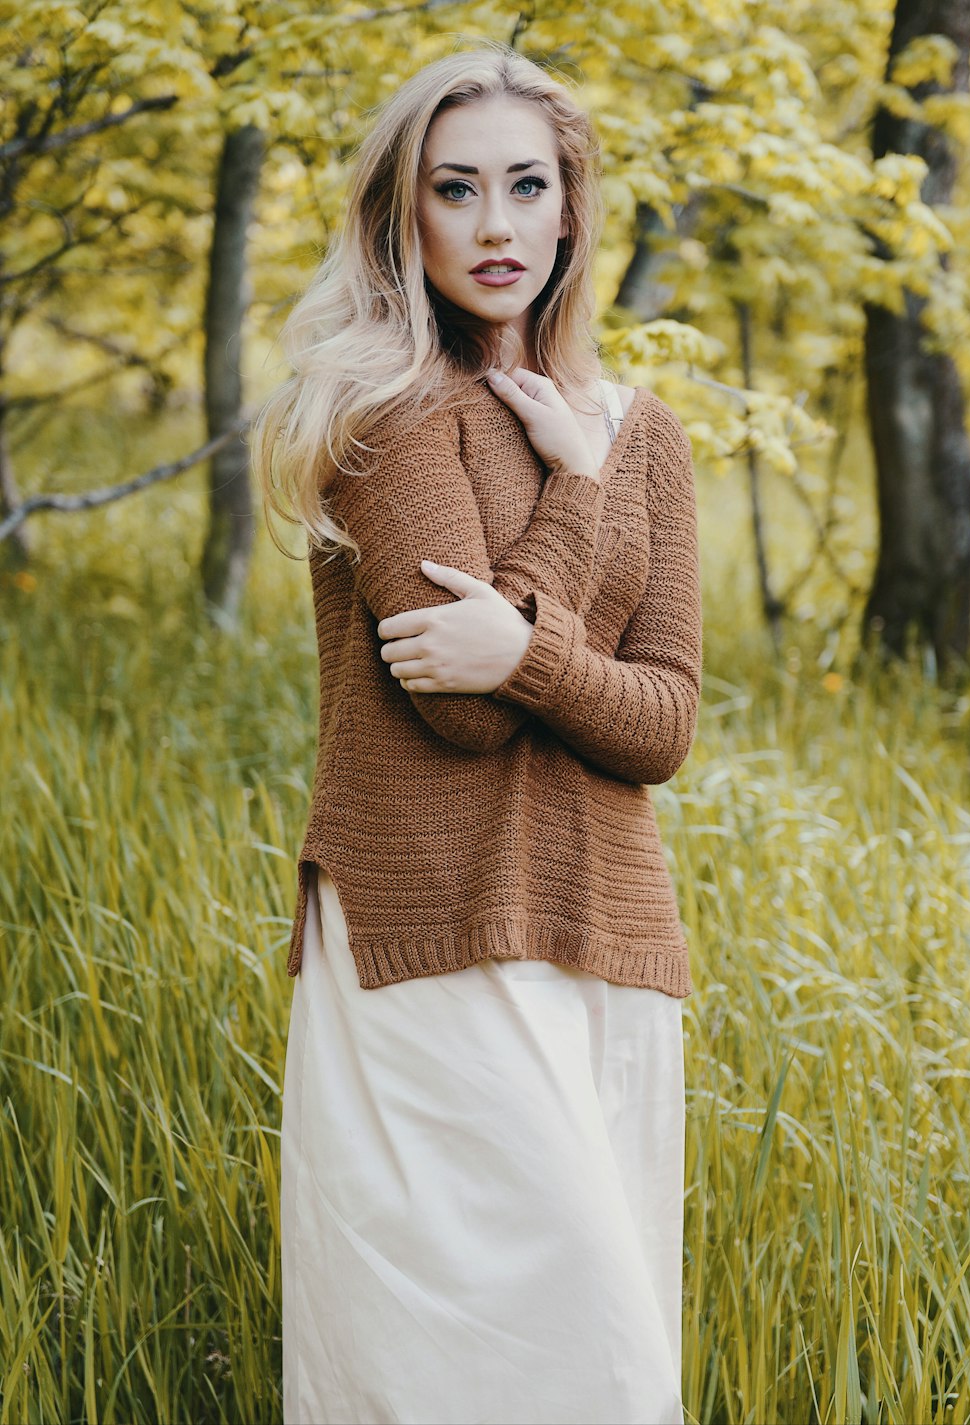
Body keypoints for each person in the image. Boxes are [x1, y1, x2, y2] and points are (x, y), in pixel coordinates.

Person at [252, 38, 702, 1425]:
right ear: (407, 214)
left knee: (605, 1359)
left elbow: (665, 720)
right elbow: (454, 711)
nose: (496, 226)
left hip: (608, 936)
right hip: (427, 939)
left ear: (572, 206)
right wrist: (567, 508)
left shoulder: (643, 432)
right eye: (457, 190)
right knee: (473, 1360)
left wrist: (530, 650)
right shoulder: (390, 409)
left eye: (525, 185)